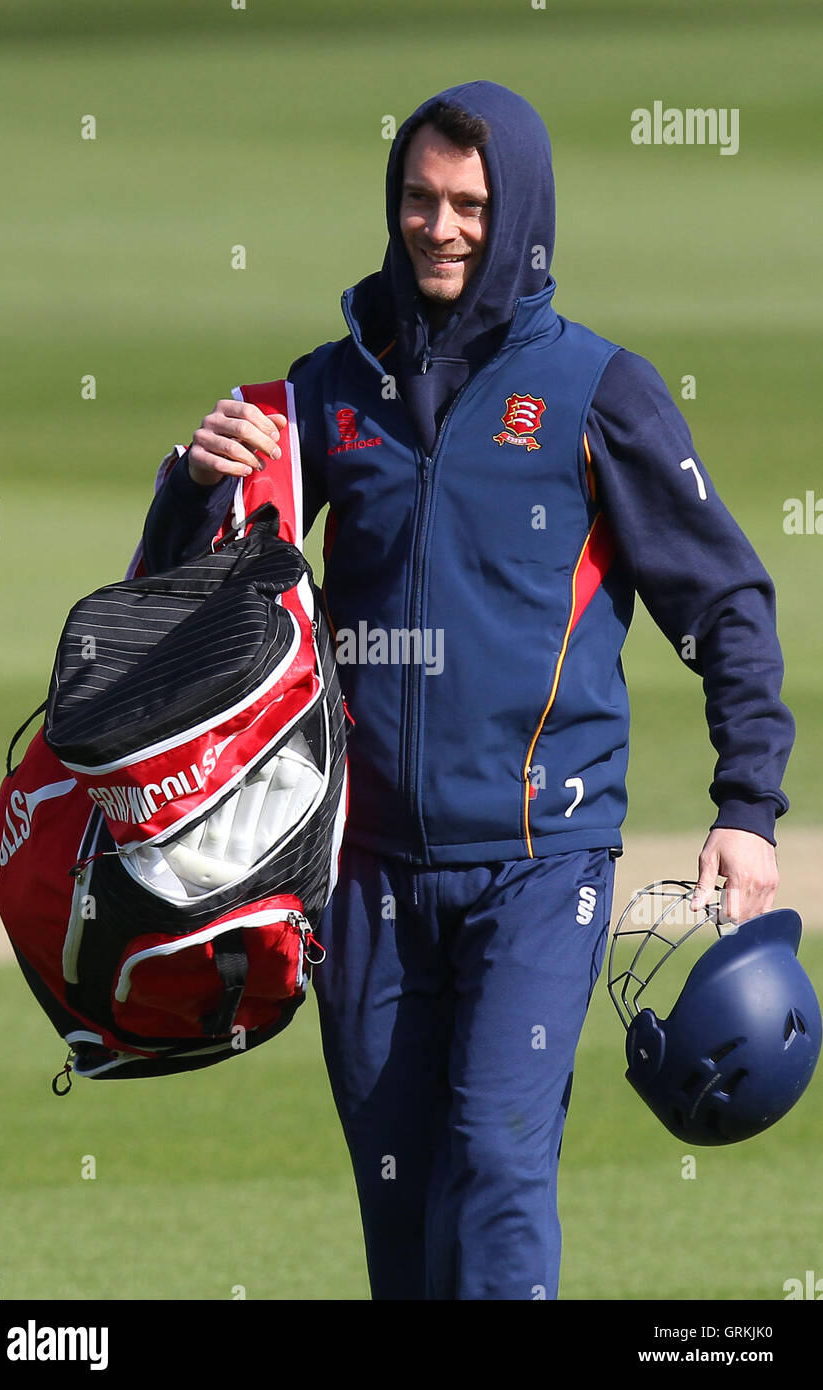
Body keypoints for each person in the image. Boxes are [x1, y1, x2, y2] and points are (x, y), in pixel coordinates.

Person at [140, 81, 794, 1300]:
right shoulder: (327, 392)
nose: (440, 228)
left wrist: (745, 804)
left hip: (542, 863)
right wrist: (190, 486)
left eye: (471, 207)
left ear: (523, 219)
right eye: (419, 201)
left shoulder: (600, 391)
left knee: (495, 1166)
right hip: (362, 873)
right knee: (402, 1216)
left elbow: (723, 605)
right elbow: (182, 601)